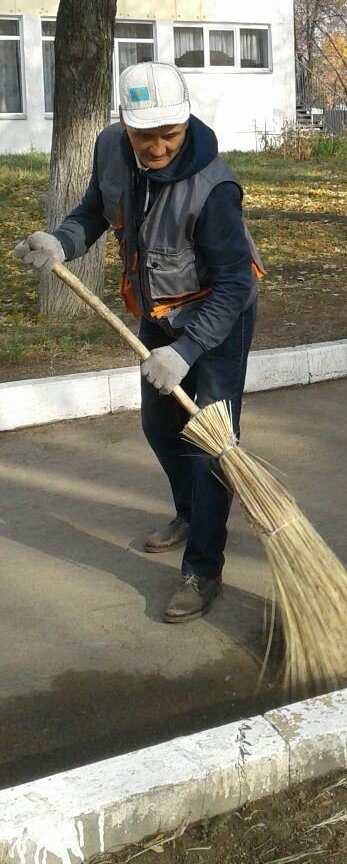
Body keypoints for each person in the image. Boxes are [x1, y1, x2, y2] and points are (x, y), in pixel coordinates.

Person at [13, 62, 264, 622]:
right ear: (124, 123)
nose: (156, 147)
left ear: (185, 121)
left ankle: (203, 569)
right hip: (157, 309)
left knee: (210, 444)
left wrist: (186, 351)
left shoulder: (214, 188)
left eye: (168, 135)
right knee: (159, 424)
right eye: (143, 135)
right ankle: (189, 512)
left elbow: (234, 284)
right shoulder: (110, 149)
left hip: (218, 321)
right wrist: (61, 242)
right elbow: (94, 214)